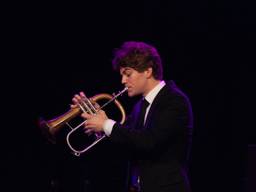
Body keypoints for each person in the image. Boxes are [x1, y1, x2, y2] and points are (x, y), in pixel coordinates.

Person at [72, 41, 193, 192]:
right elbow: (126, 140)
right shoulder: (139, 106)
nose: (123, 81)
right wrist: (97, 121)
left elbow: (150, 141)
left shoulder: (175, 101)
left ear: (148, 71)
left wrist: (106, 124)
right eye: (122, 75)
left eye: (128, 74)